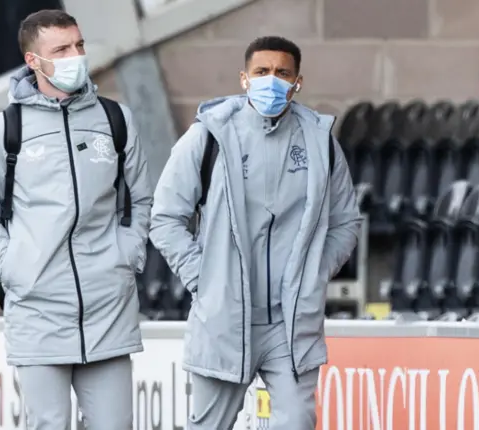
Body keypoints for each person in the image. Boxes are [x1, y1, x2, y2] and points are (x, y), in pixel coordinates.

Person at [150, 36, 361, 429]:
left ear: (298, 81)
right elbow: (165, 218)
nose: (271, 80)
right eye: (261, 72)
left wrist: (315, 273)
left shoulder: (320, 141)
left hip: (291, 323)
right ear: (244, 78)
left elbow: (346, 221)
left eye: (282, 73)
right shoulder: (209, 136)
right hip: (225, 318)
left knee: (297, 421)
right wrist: (205, 279)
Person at [0, 9, 151, 430]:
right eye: (61, 48)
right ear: (34, 61)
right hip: (37, 311)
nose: (75, 55)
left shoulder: (115, 120)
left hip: (109, 310)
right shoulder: (2, 129)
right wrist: (16, 269)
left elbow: (140, 201)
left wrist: (127, 255)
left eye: (78, 45)